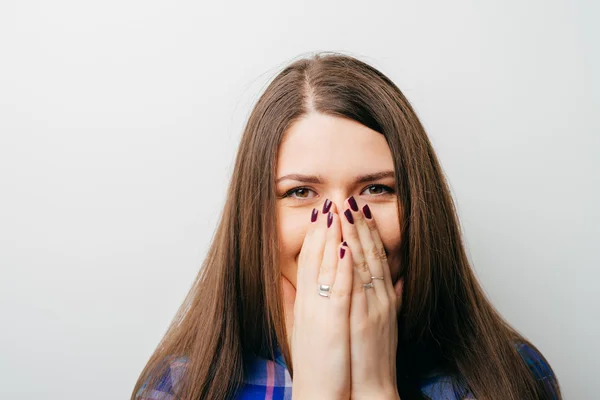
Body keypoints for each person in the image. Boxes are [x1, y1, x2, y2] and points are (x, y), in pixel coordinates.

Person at [131, 52, 562, 400]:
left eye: (376, 189)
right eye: (301, 192)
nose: (339, 227)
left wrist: (376, 389)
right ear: (255, 218)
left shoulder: (509, 381)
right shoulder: (182, 388)